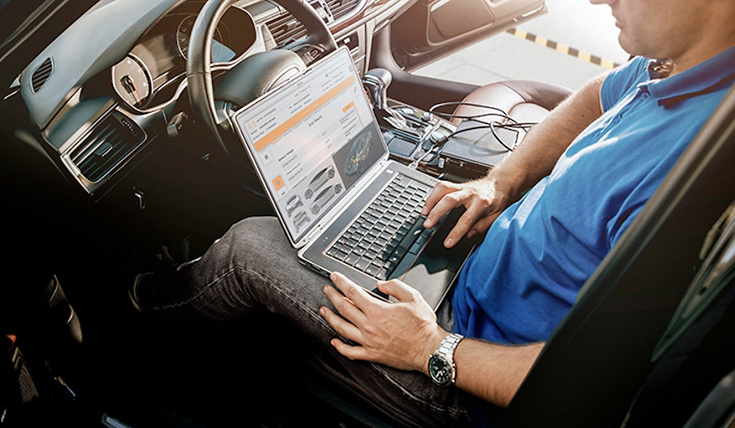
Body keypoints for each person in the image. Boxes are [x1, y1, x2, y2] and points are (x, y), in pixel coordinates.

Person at [132, 0, 735, 426]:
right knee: (354, 211)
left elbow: (590, 385)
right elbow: (593, 95)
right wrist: (499, 182)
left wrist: (429, 348)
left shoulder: (696, 179)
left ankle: (129, 319)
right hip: (467, 270)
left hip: (467, 379)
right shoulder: (678, 65)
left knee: (249, 249)